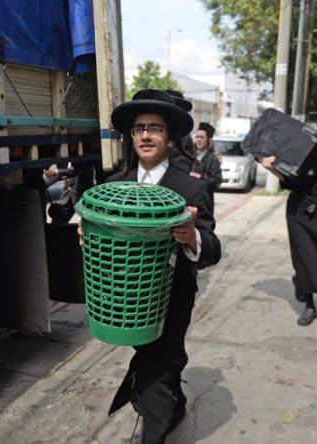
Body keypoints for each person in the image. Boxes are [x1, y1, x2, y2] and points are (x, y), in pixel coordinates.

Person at [103, 89, 221, 443]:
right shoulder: (113, 187)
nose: (145, 136)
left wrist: (190, 237)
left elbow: (212, 248)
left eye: (155, 128)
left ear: (169, 138)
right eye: (139, 129)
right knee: (159, 360)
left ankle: (151, 434)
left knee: (159, 364)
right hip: (128, 300)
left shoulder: (189, 188)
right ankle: (175, 403)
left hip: (173, 296)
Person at [259, 102, 317, 326]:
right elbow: (290, 181)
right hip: (298, 208)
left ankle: (300, 280)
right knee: (304, 255)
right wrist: (270, 168)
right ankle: (310, 306)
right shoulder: (302, 147)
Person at [191, 122, 223, 214]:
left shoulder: (212, 159)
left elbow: (217, 182)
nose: (198, 140)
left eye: (202, 137)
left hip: (204, 204)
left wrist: (200, 177)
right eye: (197, 137)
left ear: (209, 140)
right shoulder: (189, 155)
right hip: (189, 202)